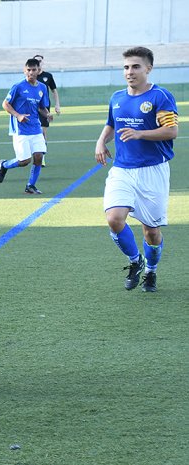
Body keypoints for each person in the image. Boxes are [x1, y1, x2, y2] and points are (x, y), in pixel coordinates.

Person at [94, 46, 178, 293]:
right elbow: (111, 125)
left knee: (151, 232)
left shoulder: (160, 97)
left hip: (153, 171)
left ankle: (151, 270)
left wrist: (141, 133)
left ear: (148, 69)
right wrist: (101, 141)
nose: (129, 72)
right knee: (114, 218)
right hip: (122, 169)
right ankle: (135, 261)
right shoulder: (117, 97)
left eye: (135, 66)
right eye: (126, 67)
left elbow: (172, 131)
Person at [0, 58, 51, 195]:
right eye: (28, 70)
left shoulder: (42, 88)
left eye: (33, 70)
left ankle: (30, 186)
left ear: (38, 71)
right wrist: (18, 115)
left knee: (38, 156)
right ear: (24, 70)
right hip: (20, 130)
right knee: (24, 161)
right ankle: (4, 165)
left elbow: (41, 107)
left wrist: (47, 114)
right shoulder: (18, 87)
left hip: (36, 128)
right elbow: (5, 104)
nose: (31, 73)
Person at [33, 55, 61, 164]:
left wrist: (57, 105)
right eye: (36, 61)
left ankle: (41, 156)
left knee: (42, 132)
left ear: (42, 62)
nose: (38, 63)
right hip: (33, 108)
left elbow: (54, 91)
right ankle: (35, 153)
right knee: (35, 131)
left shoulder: (48, 76)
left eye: (40, 61)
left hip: (44, 108)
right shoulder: (31, 76)